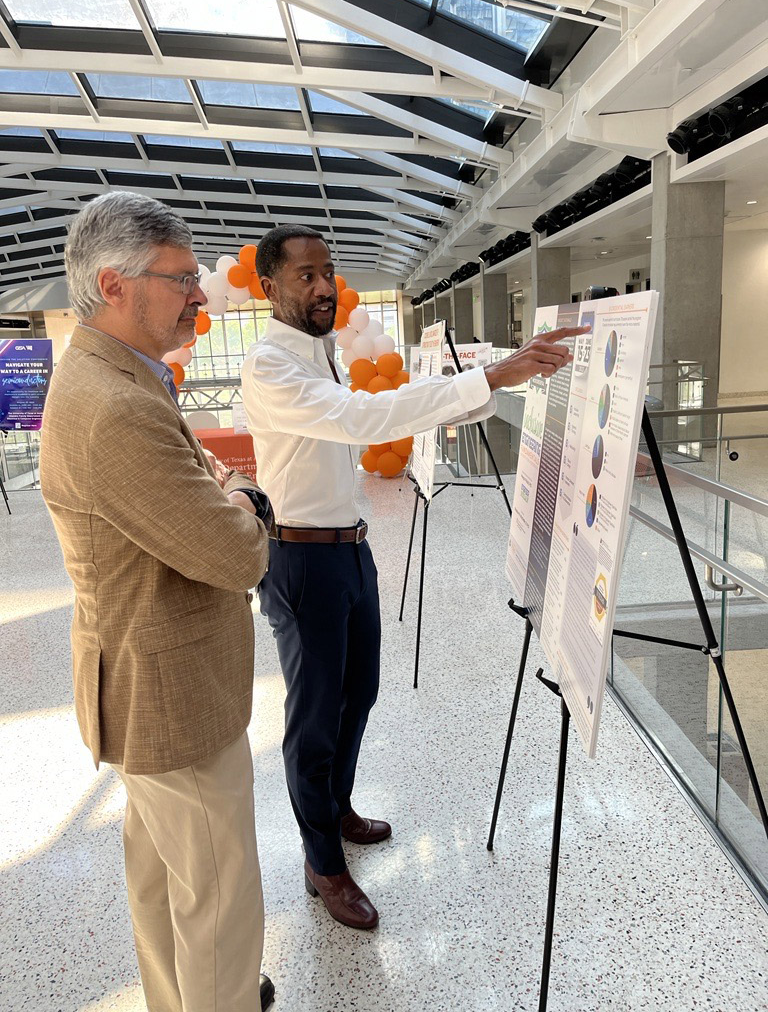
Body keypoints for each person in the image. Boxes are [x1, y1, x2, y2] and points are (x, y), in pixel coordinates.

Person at [241, 224, 586, 930]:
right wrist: (490, 377)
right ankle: (321, 863)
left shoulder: (320, 351)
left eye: (328, 272)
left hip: (350, 549)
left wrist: (485, 381)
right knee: (314, 719)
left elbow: (371, 412)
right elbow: (363, 418)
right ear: (270, 286)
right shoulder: (270, 365)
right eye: (306, 276)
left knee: (358, 695)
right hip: (301, 558)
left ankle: (335, 808)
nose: (324, 287)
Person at [40, 192, 275, 1012]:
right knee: (218, 898)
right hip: (172, 697)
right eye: (181, 279)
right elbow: (236, 553)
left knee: (166, 878)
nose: (200, 295)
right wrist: (246, 500)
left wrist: (221, 491)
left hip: (149, 683)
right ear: (114, 285)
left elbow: (196, 483)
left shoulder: (117, 376)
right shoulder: (115, 407)